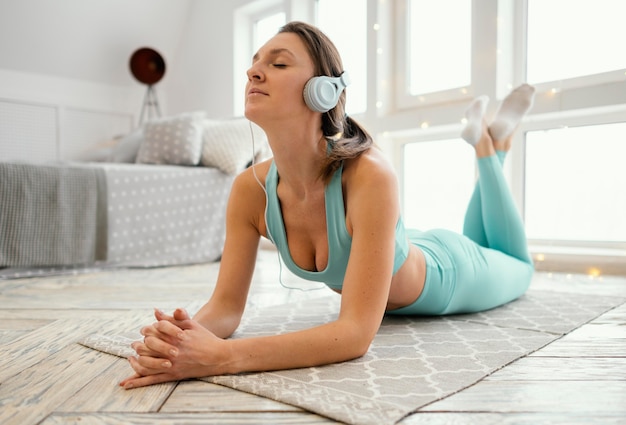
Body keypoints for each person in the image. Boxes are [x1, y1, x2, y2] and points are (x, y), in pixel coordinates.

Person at [120, 21, 535, 389]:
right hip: (407, 242)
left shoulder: (370, 174)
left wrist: (224, 358)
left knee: (516, 263)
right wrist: (182, 337)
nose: (253, 71)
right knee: (490, 241)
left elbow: (354, 334)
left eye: (279, 64)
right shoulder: (249, 189)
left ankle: (486, 147)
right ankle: (496, 141)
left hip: (450, 272)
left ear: (323, 91)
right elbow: (226, 309)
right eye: (254, 62)